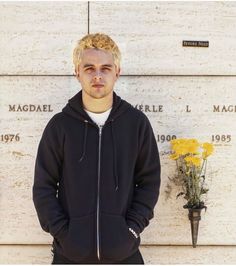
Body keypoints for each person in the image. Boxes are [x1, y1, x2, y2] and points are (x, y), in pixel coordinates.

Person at [32, 33, 161, 264]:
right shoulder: (60, 126)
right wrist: (64, 234)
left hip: (125, 255)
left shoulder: (136, 123)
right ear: (77, 72)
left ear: (117, 72)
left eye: (106, 68)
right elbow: (44, 187)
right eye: (89, 68)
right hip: (70, 255)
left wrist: (131, 231)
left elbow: (149, 182)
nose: (98, 75)